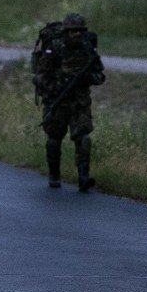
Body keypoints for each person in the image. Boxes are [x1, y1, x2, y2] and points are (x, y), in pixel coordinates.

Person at [33, 13, 105, 191]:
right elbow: (39, 77)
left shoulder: (88, 49)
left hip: (79, 102)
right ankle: (54, 174)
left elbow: (100, 75)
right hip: (57, 101)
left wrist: (87, 77)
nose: (77, 35)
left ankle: (83, 176)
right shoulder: (54, 49)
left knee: (84, 137)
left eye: (81, 31)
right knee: (54, 138)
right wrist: (54, 89)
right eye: (73, 31)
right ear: (66, 32)